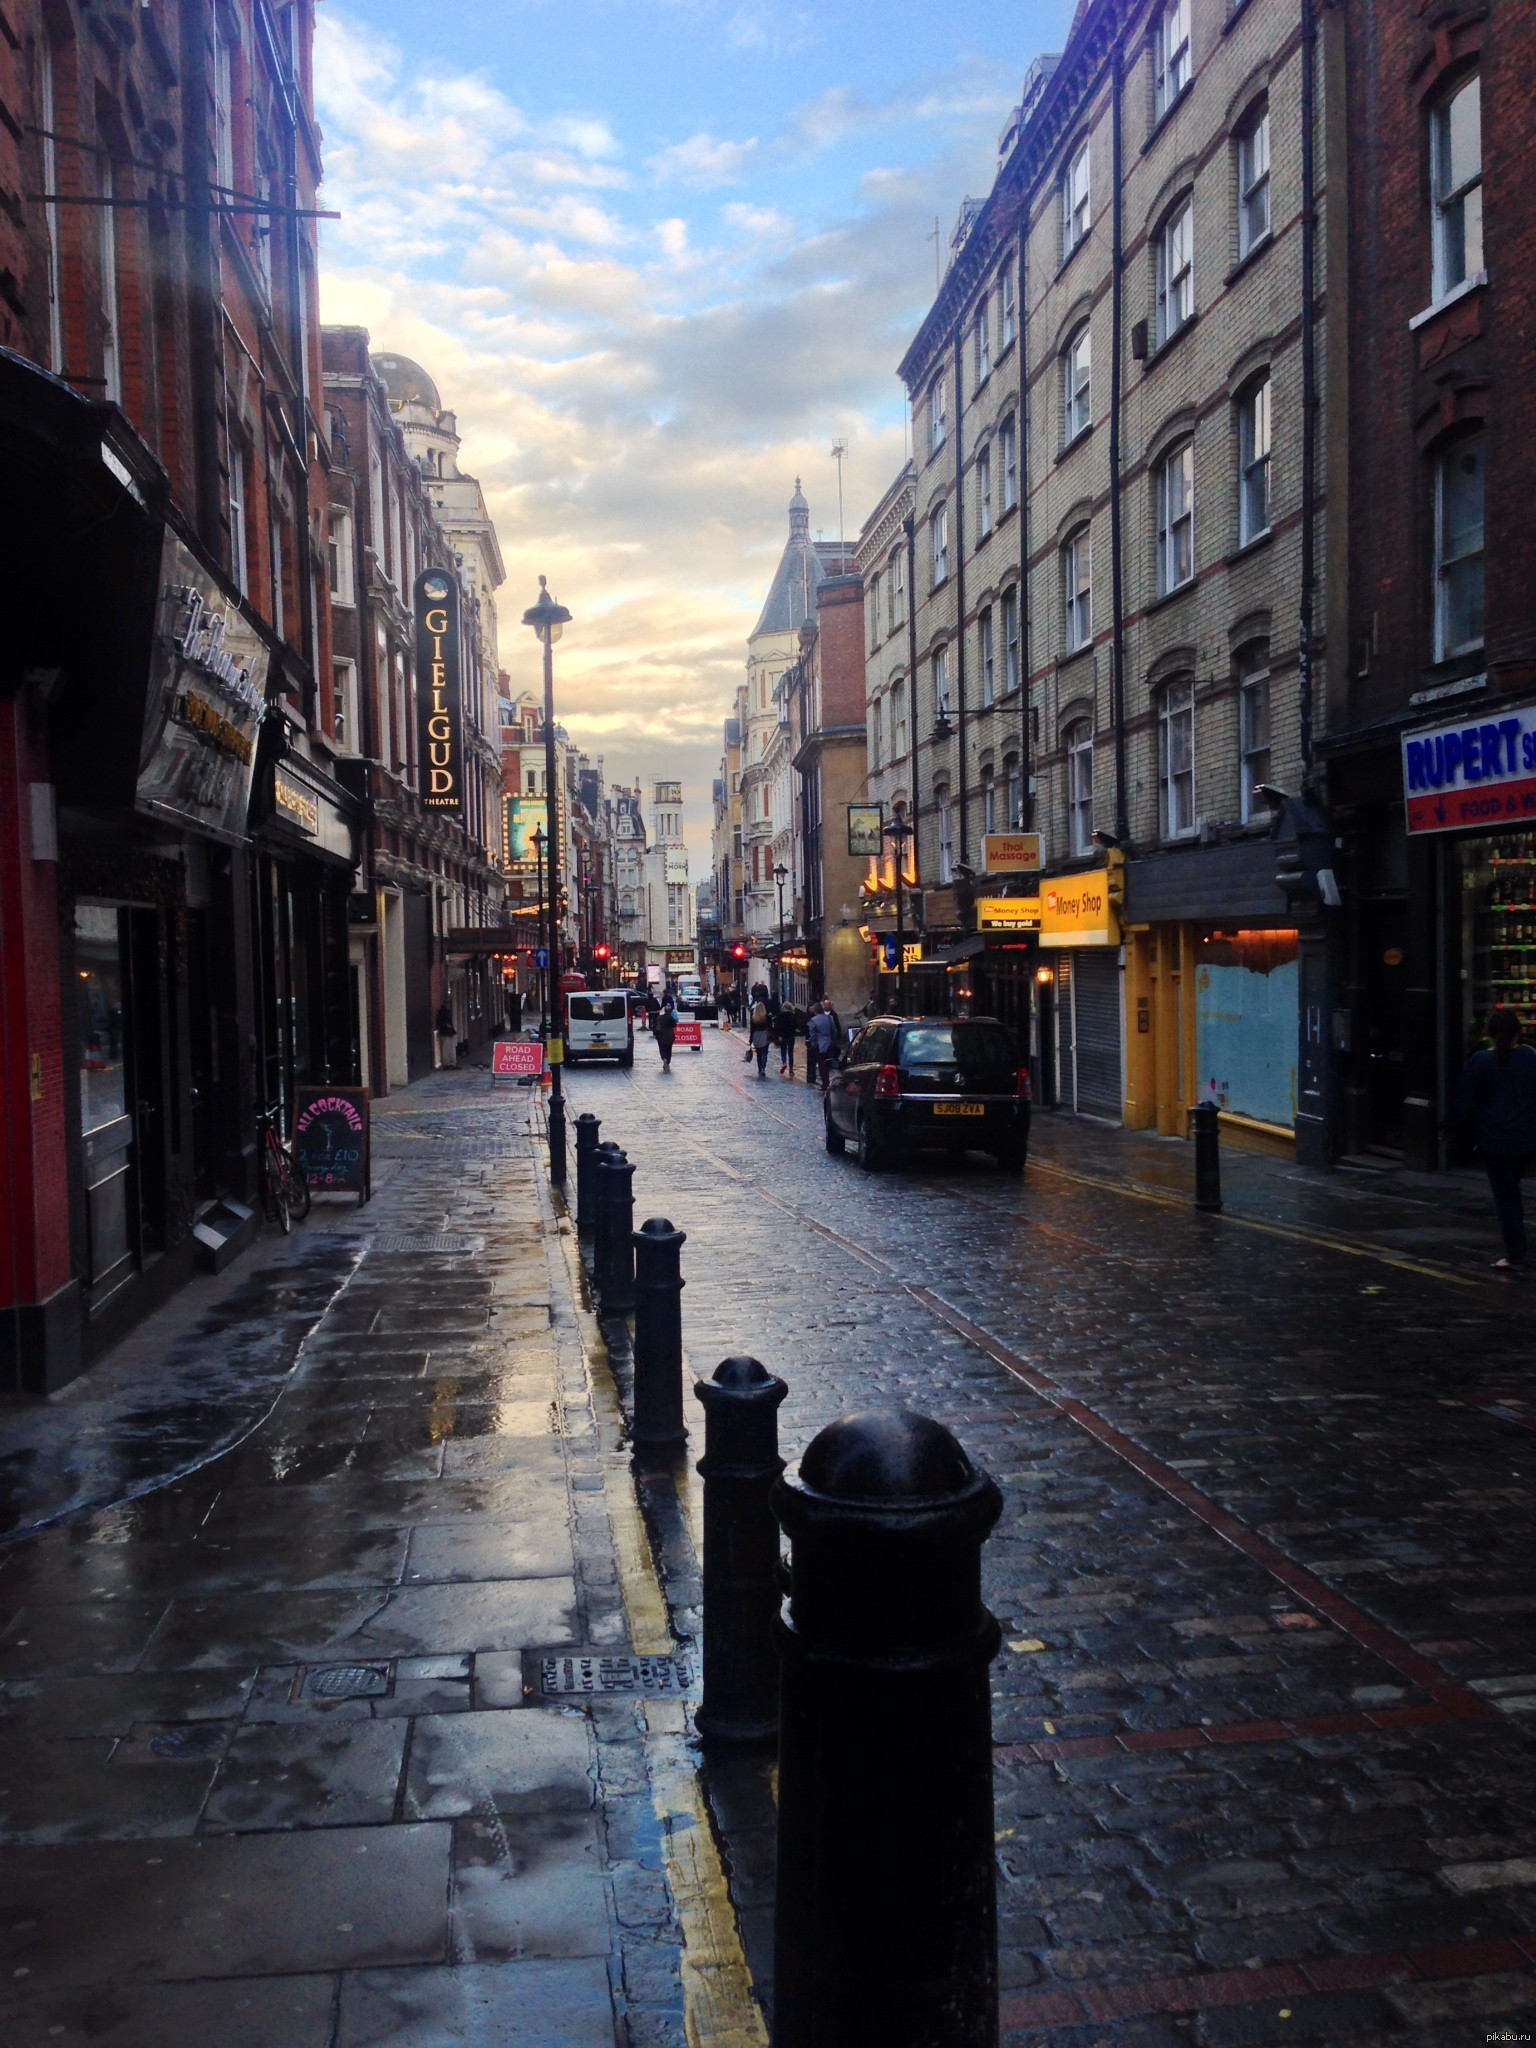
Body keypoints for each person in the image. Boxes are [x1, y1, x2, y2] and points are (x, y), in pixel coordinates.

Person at [1451, 1008, 1536, 1269]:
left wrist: (1448, 1126)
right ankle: (1516, 1253)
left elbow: (1463, 1099)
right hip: (1525, 1139)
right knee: (1512, 1191)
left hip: (1494, 1140)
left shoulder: (1481, 1061)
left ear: (1489, 1033)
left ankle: (1516, 1255)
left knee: (1506, 1197)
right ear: (1518, 1033)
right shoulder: (1530, 1058)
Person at [807, 999, 838, 1092]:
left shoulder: (813, 1020)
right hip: (829, 1044)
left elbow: (812, 1035)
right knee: (827, 1064)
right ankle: (827, 1082)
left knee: (822, 1065)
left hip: (819, 1046)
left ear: (815, 1011)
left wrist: (812, 1044)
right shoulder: (830, 1018)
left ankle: (825, 1083)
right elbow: (834, 1031)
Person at [749, 995, 773, 1078]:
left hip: (756, 1035)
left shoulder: (753, 1018)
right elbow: (770, 1027)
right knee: (765, 1053)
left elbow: (752, 1030)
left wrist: (750, 1039)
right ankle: (763, 1068)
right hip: (765, 1034)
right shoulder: (767, 1017)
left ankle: (759, 1068)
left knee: (758, 1053)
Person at [653, 995, 678, 1073]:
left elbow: (655, 1026)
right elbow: (674, 1024)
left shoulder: (659, 1018)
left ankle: (664, 1059)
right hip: (669, 1036)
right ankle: (667, 1060)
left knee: (662, 1049)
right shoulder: (670, 1018)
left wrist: (655, 1034)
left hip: (660, 1036)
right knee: (668, 1049)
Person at [776, 1000, 798, 1078]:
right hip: (791, 1036)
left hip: (783, 1036)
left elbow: (777, 1026)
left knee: (783, 1050)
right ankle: (791, 1070)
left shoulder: (780, 1015)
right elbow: (796, 1026)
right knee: (791, 1052)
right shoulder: (793, 1016)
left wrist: (779, 1035)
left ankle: (784, 1062)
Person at [435, 1000, 457, 1069]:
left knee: (450, 1047)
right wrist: (446, 1025)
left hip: (449, 1032)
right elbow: (439, 1022)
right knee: (446, 1047)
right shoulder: (443, 1012)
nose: (449, 1006)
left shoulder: (446, 1011)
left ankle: (450, 1061)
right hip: (446, 1032)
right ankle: (447, 1062)